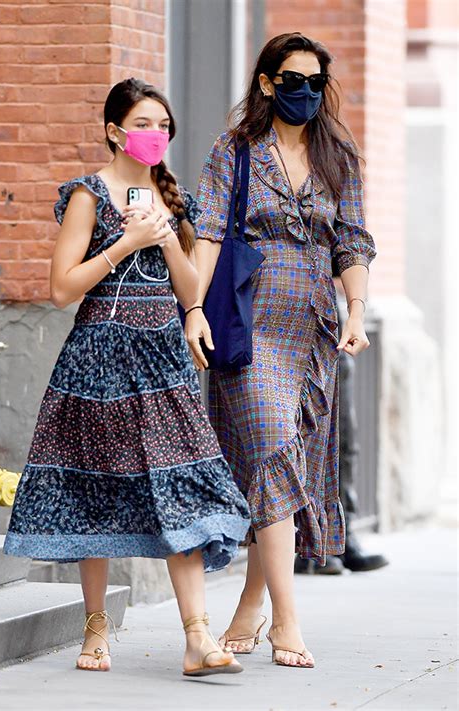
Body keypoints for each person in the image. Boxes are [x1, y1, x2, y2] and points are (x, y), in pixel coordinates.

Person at [3, 78, 251, 676]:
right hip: (98, 361)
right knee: (95, 491)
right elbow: (62, 288)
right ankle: (95, 630)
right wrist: (127, 241)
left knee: (180, 484)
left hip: (162, 363)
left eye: (164, 126)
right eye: (144, 124)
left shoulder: (174, 197)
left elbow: (193, 289)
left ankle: (198, 638)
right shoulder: (88, 195)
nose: (156, 136)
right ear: (115, 131)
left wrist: (162, 237)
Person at [185, 33, 376, 668]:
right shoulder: (235, 151)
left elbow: (352, 240)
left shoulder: (336, 154)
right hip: (247, 323)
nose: (307, 93)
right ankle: (287, 621)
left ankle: (249, 602)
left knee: (286, 461)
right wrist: (192, 311)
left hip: (313, 331)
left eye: (317, 83)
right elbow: (209, 234)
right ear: (268, 82)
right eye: (294, 80)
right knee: (270, 447)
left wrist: (355, 311)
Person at [295, 305, 389, 575]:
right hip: (286, 294)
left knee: (344, 439)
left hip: (332, 305)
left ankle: (341, 538)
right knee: (301, 437)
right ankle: (307, 544)